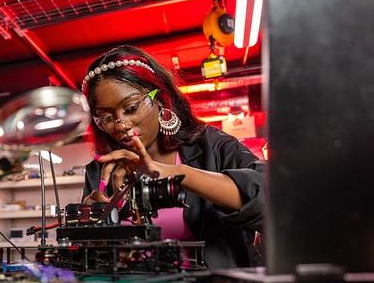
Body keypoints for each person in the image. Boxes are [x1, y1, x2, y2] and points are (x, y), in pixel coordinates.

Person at [81, 45, 265, 268]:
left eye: (131, 108)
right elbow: (94, 258)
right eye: (106, 118)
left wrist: (177, 173)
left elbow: (273, 199)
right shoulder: (99, 172)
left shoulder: (212, 147)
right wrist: (88, 222)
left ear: (160, 98)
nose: (121, 125)